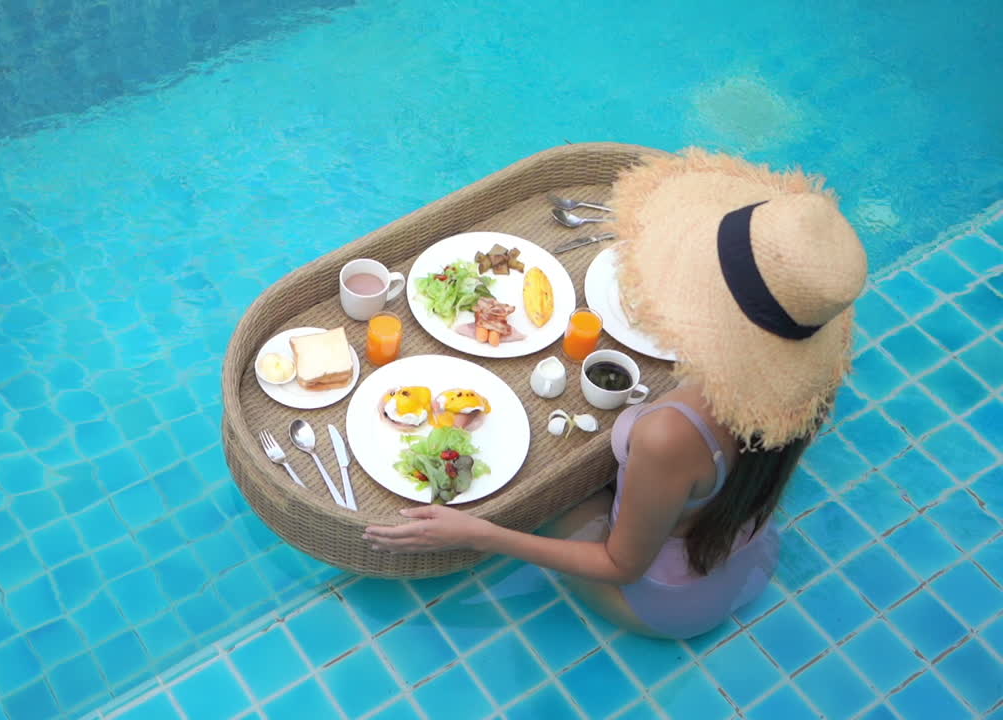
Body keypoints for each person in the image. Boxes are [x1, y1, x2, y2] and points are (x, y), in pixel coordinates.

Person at [364, 149, 868, 639]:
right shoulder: (812, 362)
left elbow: (620, 565)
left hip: (665, 597)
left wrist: (480, 534)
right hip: (734, 540)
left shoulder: (670, 434)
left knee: (541, 492)